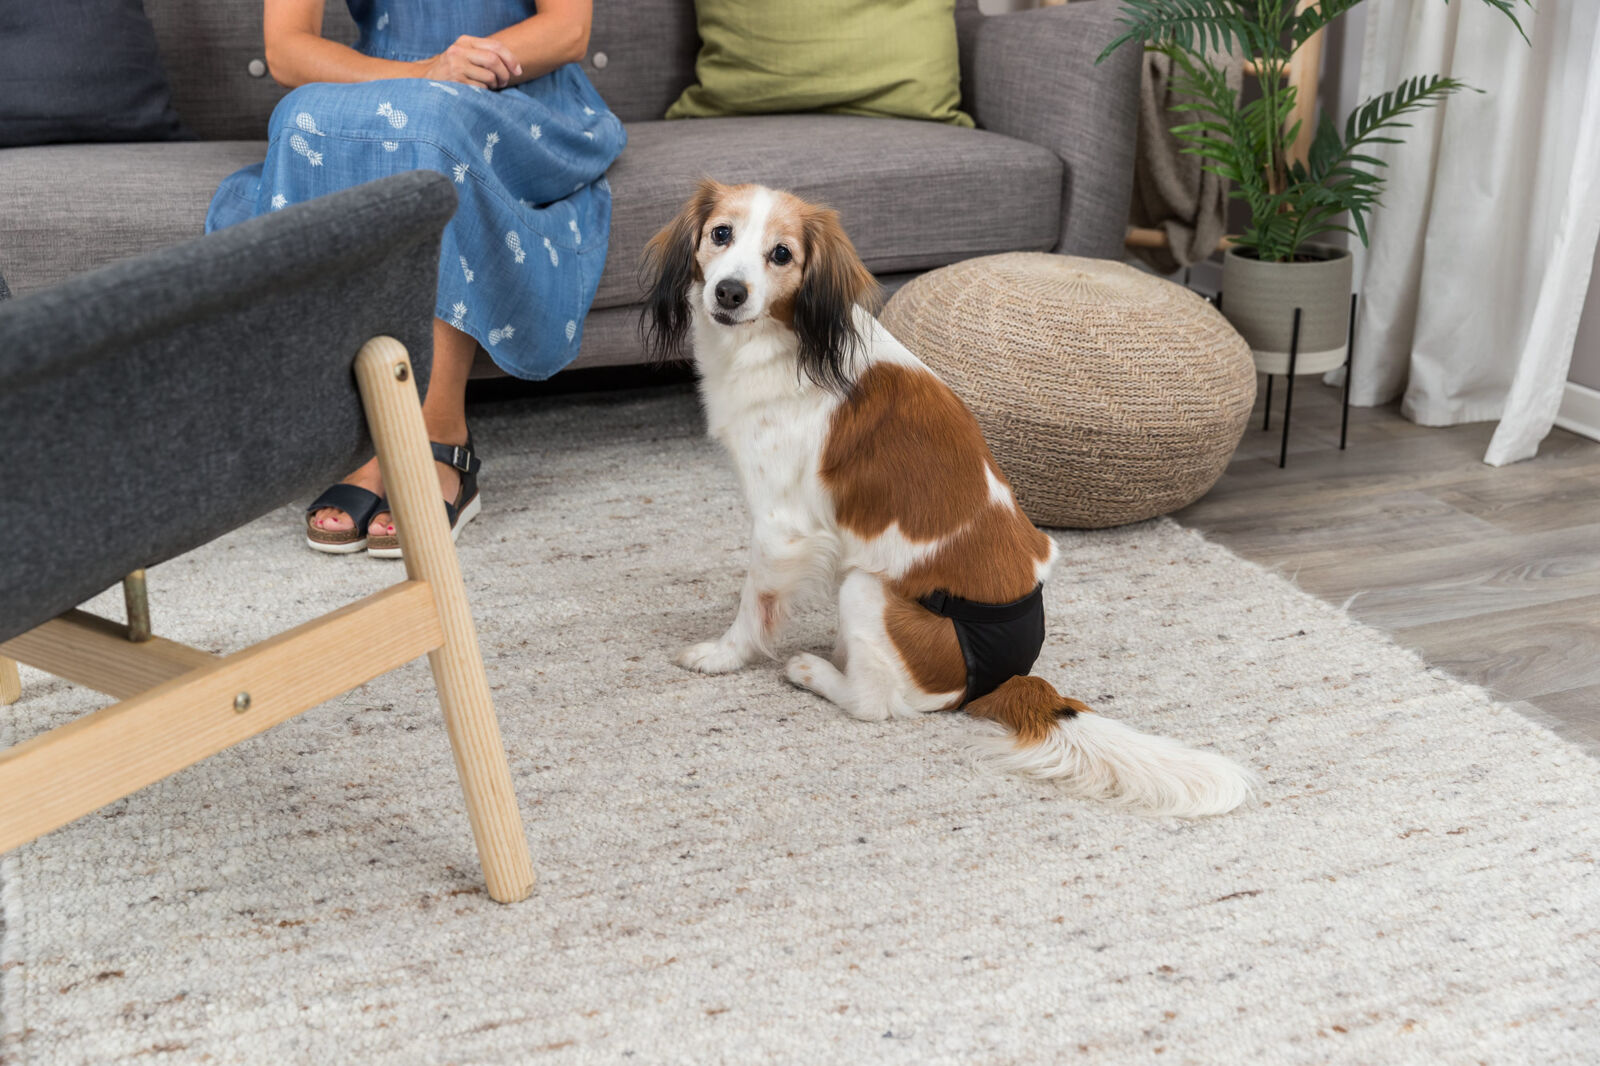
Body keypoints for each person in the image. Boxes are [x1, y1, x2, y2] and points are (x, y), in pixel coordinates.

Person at [208, 0, 625, 555]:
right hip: (380, 85)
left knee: (429, 125)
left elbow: (568, 29)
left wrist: (458, 73)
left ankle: (437, 430)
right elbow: (287, 49)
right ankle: (368, 435)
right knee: (297, 114)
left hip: (516, 94)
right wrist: (422, 72)